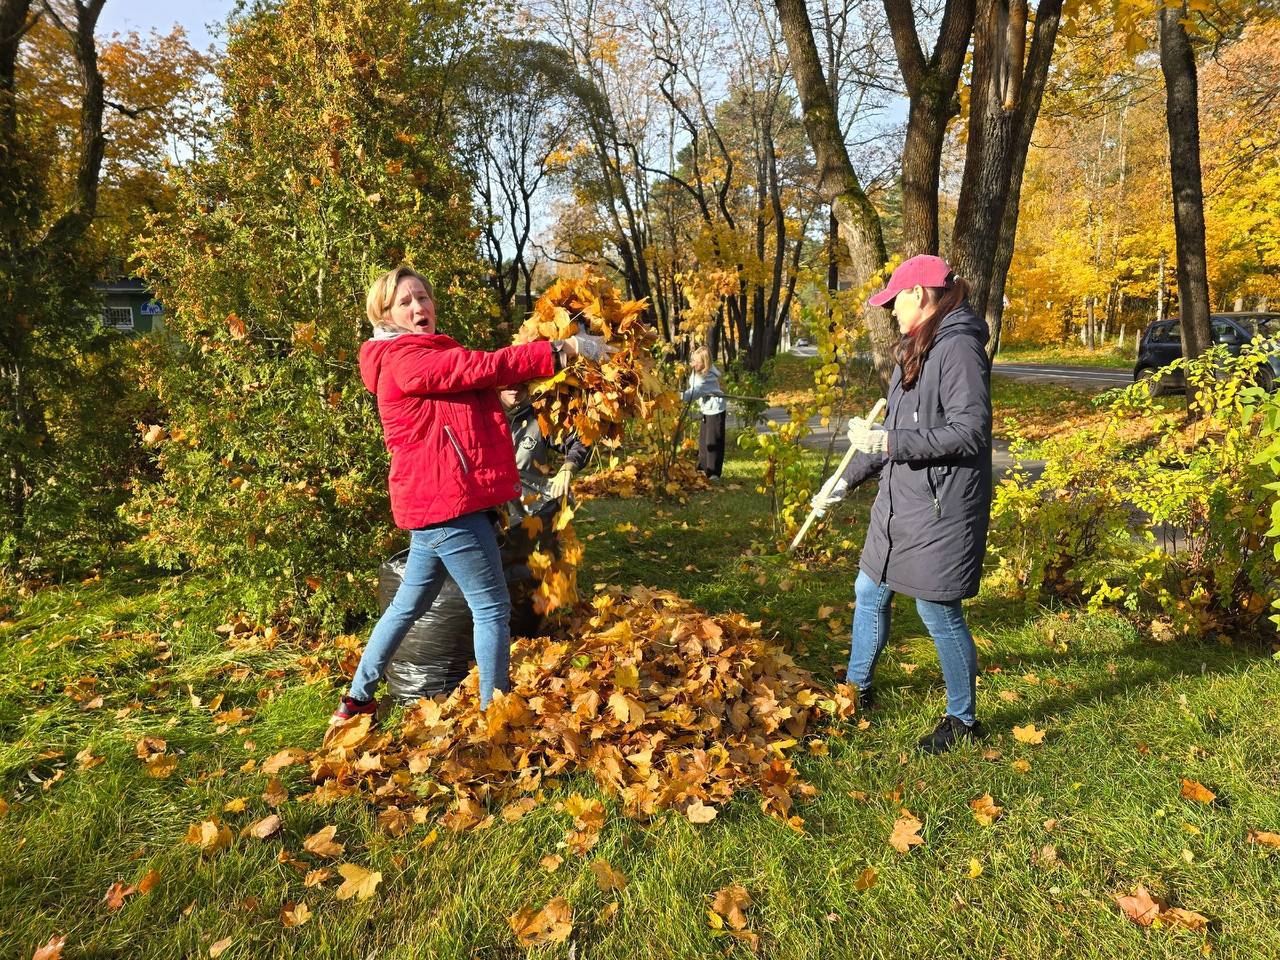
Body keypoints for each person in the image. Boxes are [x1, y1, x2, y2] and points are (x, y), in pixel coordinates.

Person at [331, 266, 612, 725]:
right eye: (405, 302)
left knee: (408, 606)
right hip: (448, 502)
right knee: (492, 606)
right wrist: (558, 350)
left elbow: (456, 399)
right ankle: (496, 716)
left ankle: (357, 699)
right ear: (384, 313)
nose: (419, 307)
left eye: (423, 297)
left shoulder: (416, 356)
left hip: (437, 500)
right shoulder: (403, 357)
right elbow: (474, 368)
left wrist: (499, 400)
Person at [810, 254, 992, 754]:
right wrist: (843, 481)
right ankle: (855, 691)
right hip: (899, 506)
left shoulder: (957, 349)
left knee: (938, 611)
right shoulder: (917, 348)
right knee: (869, 590)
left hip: (941, 509)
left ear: (919, 295)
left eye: (894, 301)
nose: (890, 310)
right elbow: (889, 432)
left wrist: (887, 444)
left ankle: (963, 719)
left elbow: (968, 432)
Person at [683, 346, 728, 479]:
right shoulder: (698, 372)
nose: (694, 364)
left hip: (715, 410)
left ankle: (713, 472)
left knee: (713, 440)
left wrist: (678, 397)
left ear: (705, 363)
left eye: (698, 362)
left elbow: (695, 392)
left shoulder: (708, 377)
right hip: (706, 408)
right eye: (693, 361)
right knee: (703, 440)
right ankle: (702, 469)